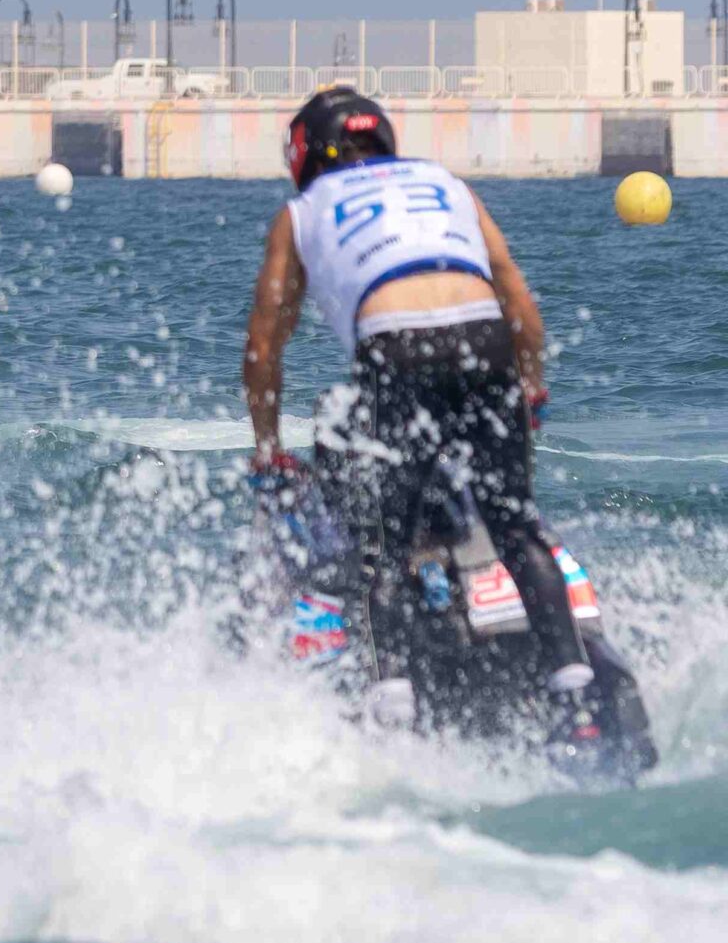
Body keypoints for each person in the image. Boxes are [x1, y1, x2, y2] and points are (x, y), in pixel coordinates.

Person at [239, 87, 592, 738]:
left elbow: (263, 345)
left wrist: (267, 447)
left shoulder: (303, 210)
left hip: (394, 347)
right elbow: (515, 292)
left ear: (305, 153)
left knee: (386, 542)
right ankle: (574, 689)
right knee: (515, 524)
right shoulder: (447, 184)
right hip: (486, 340)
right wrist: (531, 385)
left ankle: (394, 699)